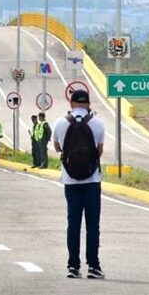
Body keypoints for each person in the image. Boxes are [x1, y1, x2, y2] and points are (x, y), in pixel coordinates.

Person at [53, 89, 106, 279]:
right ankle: (94, 266)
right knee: (93, 225)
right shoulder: (97, 123)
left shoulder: (60, 123)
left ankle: (73, 267)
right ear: (88, 104)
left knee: (73, 223)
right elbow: (99, 151)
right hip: (92, 181)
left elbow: (58, 148)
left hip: (70, 181)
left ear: (71, 103)